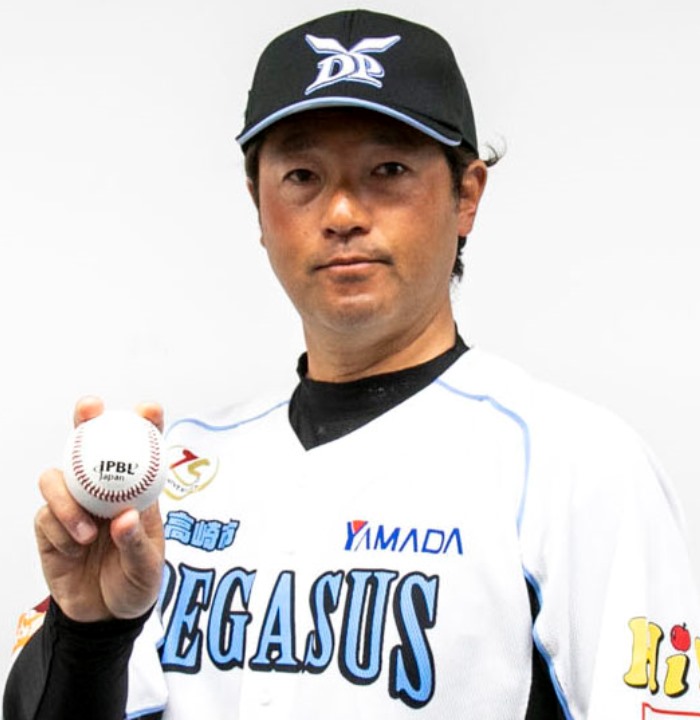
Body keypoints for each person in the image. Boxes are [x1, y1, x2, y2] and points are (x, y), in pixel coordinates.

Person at [3, 8, 700, 720]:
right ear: (258, 203)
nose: (340, 212)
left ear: (466, 196)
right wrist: (90, 635)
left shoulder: (575, 467)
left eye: (388, 170)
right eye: (302, 174)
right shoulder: (173, 483)